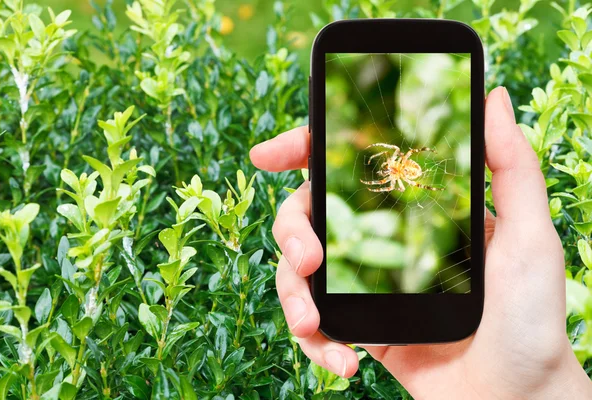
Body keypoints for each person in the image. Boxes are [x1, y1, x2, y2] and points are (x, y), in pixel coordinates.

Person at [249, 87, 592, 398]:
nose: (394, 170)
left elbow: (402, 160)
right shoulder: (397, 175)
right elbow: (390, 181)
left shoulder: (404, 165)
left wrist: (542, 387)